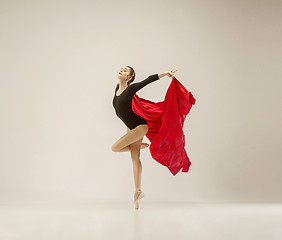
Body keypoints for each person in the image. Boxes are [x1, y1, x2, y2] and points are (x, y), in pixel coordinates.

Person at [112, 66, 177, 209]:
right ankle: (138, 191)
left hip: (140, 127)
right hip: (131, 127)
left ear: (129, 78)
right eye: (121, 69)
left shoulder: (130, 90)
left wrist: (166, 74)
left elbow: (148, 80)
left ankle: (142, 146)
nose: (121, 71)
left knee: (115, 148)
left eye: (125, 71)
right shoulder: (117, 88)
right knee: (135, 159)